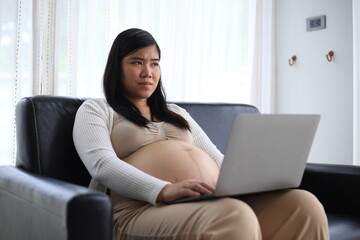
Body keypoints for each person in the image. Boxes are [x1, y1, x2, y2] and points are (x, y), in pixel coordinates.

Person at [73, 28, 329, 240]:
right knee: (233, 214)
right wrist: (163, 190)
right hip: (138, 210)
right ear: (116, 67)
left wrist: (248, 184)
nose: (147, 72)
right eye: (136, 62)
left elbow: (216, 158)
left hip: (204, 202)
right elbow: (102, 166)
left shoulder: (176, 113)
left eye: (154, 63)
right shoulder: (97, 109)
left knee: (302, 205)